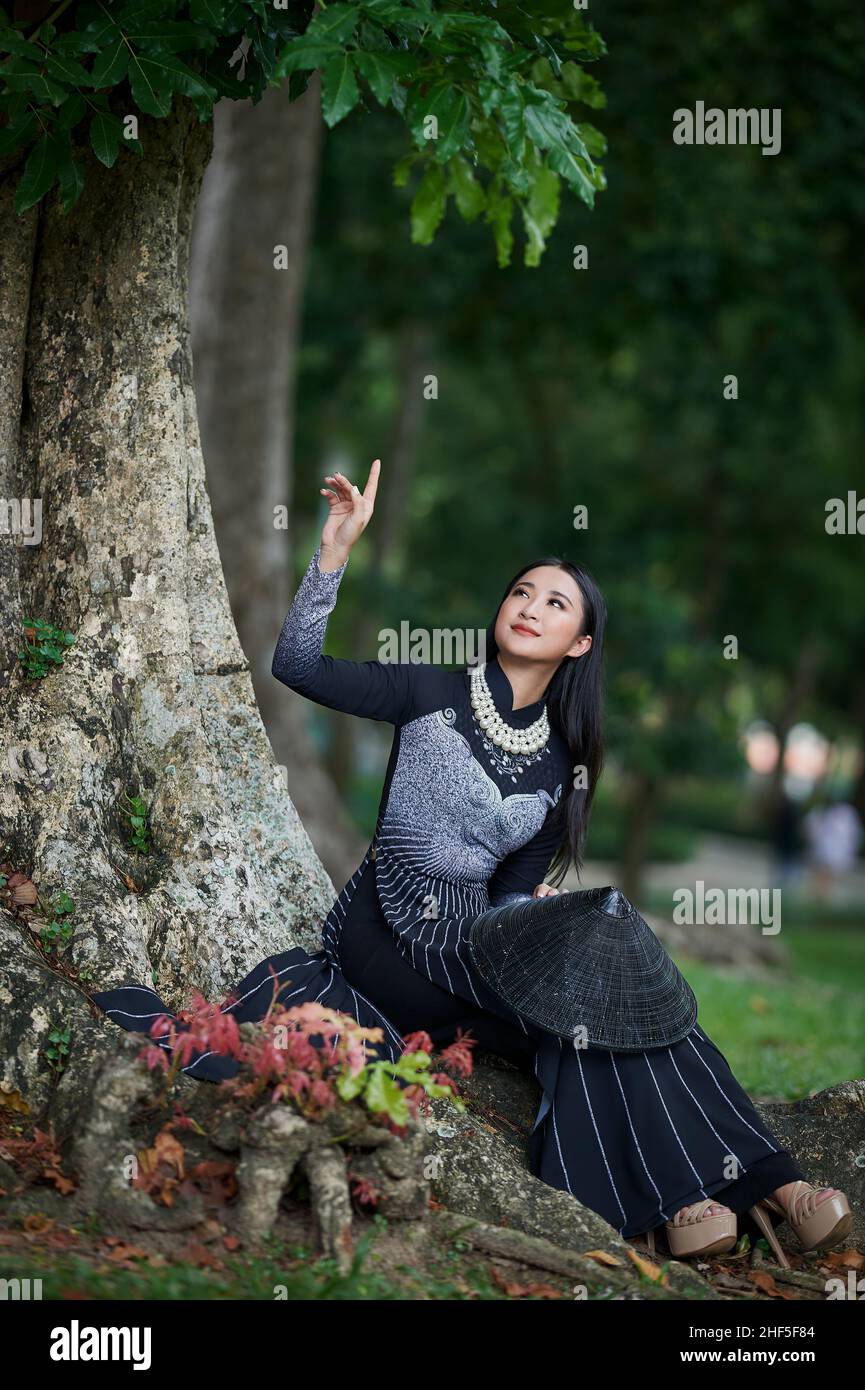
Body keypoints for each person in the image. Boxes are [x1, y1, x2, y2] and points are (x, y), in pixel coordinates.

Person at [92, 459, 852, 1264]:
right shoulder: (429, 691)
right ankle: (696, 1196)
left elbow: (508, 893)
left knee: (608, 994)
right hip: (386, 938)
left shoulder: (564, 765)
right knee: (584, 999)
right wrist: (334, 552)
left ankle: (761, 1185)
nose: (529, 607)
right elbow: (297, 667)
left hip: (472, 943)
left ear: (580, 641)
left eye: (554, 602)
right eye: (521, 592)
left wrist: (537, 914)